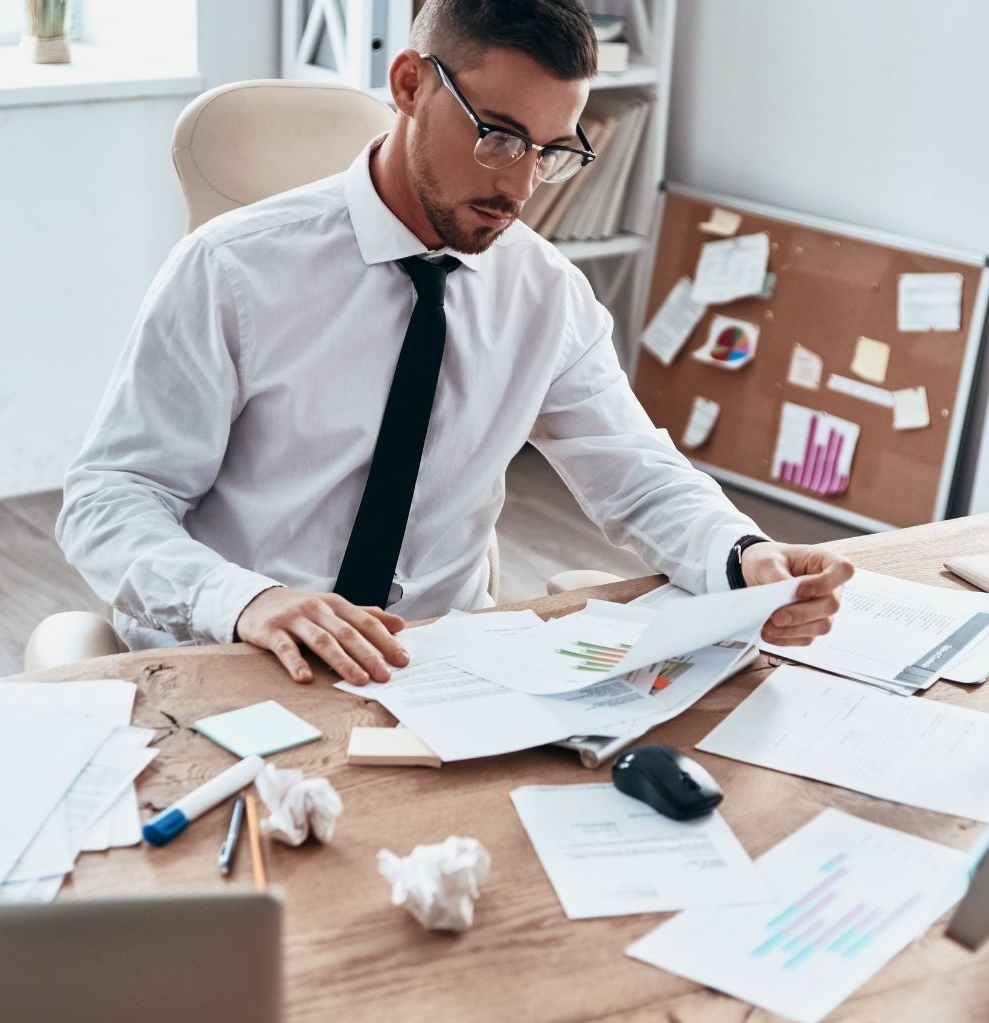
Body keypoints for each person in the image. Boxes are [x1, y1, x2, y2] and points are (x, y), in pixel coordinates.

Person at [57, 0, 853, 687]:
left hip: (440, 674)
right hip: (244, 658)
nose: (520, 187)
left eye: (551, 150)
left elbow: (638, 478)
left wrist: (742, 553)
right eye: (501, 137)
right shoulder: (232, 268)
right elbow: (110, 499)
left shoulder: (544, 294)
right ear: (408, 84)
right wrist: (248, 600)